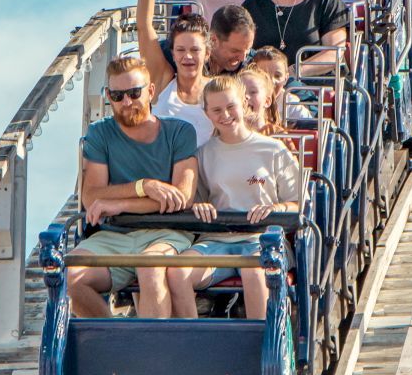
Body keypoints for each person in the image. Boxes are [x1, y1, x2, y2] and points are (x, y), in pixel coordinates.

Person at [67, 56, 198, 318]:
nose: (126, 102)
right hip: (115, 235)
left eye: (134, 93)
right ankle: (115, 341)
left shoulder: (179, 132)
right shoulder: (100, 133)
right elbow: (91, 195)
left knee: (149, 266)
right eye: (117, 95)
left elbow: (180, 197)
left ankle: (154, 354)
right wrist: (144, 186)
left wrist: (119, 204)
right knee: (71, 273)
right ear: (108, 96)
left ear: (150, 92)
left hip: (165, 231)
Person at [166, 76, 301, 320]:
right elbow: (194, 200)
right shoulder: (203, 154)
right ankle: (191, 342)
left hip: (261, 239)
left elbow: (298, 203)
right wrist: (200, 206)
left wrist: (275, 208)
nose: (225, 115)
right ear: (207, 113)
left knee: (254, 272)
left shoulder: (273, 150)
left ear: (244, 104)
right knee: (176, 272)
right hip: (217, 240)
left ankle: (260, 345)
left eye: (231, 107)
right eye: (217, 110)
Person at [137, 0, 213, 145]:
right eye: (180, 50)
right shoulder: (163, 83)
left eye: (195, 50)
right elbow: (144, 26)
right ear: (172, 53)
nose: (187, 56)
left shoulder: (218, 89)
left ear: (207, 53)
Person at [160, 3, 255, 76]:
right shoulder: (178, 53)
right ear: (213, 40)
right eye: (235, 50)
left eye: (247, 49)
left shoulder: (254, 62)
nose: (243, 58)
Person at [251, 46, 310, 123]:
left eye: (277, 76)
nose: (271, 81)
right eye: (264, 75)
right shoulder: (244, 100)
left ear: (286, 79)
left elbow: (311, 126)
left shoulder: (290, 103)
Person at [239, 65, 282, 135]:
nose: (245, 96)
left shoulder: (277, 134)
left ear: (267, 101)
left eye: (253, 92)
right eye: (240, 91)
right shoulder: (226, 132)